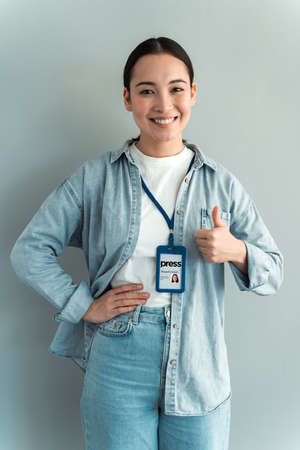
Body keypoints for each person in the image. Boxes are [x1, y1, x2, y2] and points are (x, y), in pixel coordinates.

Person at [9, 36, 284, 450]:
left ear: (192, 93)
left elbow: (274, 271)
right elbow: (28, 252)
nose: (163, 104)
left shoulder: (221, 183)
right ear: (127, 98)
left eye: (175, 89)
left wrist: (237, 251)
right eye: (146, 91)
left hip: (198, 366)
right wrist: (84, 305)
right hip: (118, 356)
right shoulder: (95, 177)